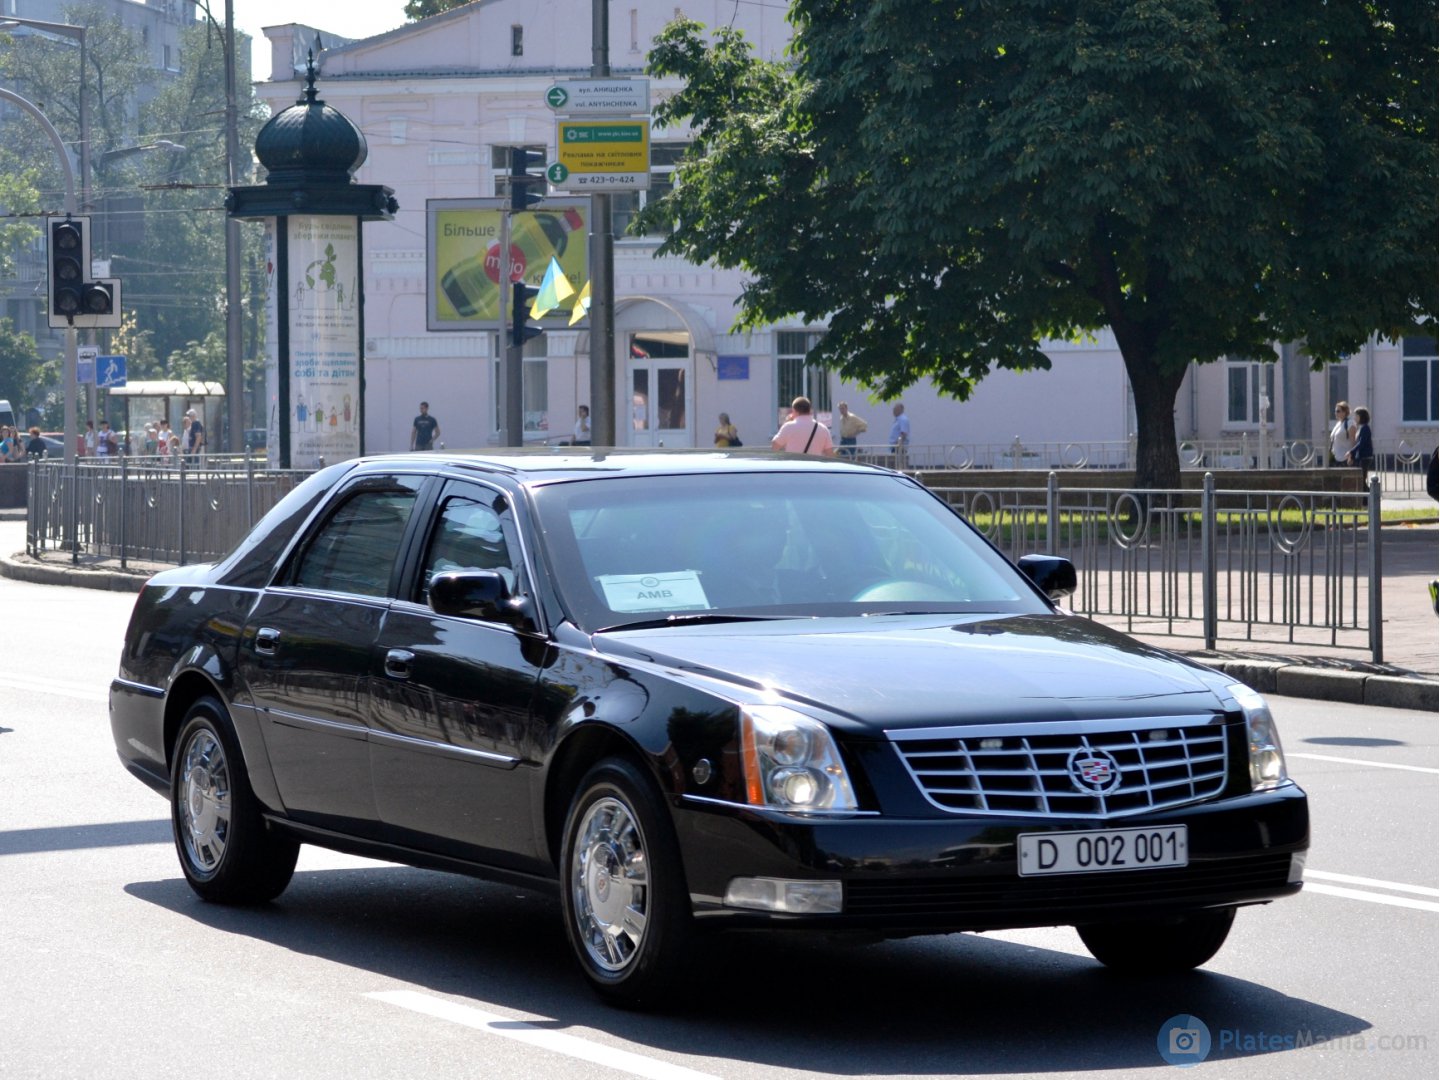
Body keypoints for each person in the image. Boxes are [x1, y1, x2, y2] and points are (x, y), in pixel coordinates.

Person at [1346, 406, 1374, 483]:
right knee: (1361, 479)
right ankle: (1366, 494)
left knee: (1361, 479)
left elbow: (1361, 443)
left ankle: (1368, 494)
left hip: (1365, 457)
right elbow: (1359, 444)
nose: (1354, 418)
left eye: (1355, 416)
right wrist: (1353, 456)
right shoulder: (1361, 428)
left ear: (1359, 417)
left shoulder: (1365, 428)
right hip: (1361, 456)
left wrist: (1351, 452)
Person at [1329, 401, 1355, 467]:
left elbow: (1353, 441)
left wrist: (1351, 457)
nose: (1335, 413)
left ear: (1344, 412)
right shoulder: (1338, 424)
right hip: (1335, 458)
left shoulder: (1350, 423)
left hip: (1345, 459)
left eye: (1338, 411)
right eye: (1335, 411)